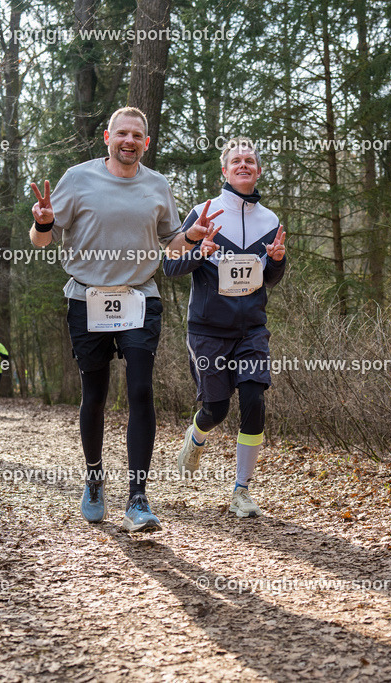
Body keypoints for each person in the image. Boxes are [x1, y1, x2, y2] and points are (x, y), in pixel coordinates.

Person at [29, 106, 207, 532]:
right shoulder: (78, 178)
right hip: (86, 298)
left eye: (137, 135)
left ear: (146, 142)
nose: (129, 141)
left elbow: (171, 243)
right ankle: (93, 479)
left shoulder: (158, 185)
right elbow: (40, 240)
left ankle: (138, 497)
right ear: (107, 136)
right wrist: (44, 222)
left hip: (139, 297)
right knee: (95, 394)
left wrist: (194, 238)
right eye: (122, 133)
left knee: (141, 390)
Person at [163, 137, 287, 518]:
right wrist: (199, 251)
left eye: (250, 160)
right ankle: (196, 437)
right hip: (207, 330)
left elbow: (269, 278)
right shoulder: (204, 213)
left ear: (259, 170)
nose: (244, 165)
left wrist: (278, 261)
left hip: (252, 329)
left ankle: (242, 490)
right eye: (236, 160)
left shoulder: (271, 221)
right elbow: (169, 266)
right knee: (215, 409)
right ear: (225, 170)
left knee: (253, 398)